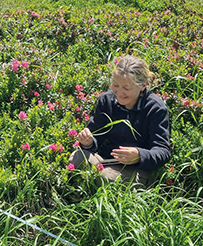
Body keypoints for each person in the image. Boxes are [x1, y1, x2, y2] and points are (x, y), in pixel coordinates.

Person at [70, 55, 171, 185]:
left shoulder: (155, 108)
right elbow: (95, 137)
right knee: (77, 157)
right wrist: (88, 142)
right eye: (115, 85)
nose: (119, 92)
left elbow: (162, 151)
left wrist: (139, 155)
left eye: (126, 88)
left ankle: (95, 187)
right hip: (104, 161)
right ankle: (83, 191)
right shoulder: (106, 101)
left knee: (104, 177)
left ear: (143, 85)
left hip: (136, 171)